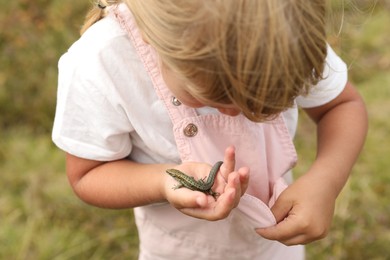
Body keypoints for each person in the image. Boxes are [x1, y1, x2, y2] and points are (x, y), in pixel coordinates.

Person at [52, 0, 368, 259]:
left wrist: (325, 181)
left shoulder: (283, 33)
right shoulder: (101, 62)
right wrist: (162, 182)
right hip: (174, 250)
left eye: (265, 102)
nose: (236, 113)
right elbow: (86, 173)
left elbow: (343, 106)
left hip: (275, 247)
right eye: (212, 98)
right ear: (158, 42)